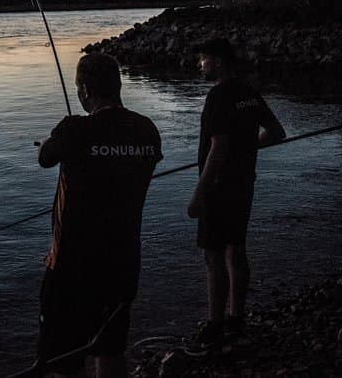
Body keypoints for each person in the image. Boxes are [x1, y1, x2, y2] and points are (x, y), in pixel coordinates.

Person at [36, 52, 163, 377]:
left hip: (71, 268)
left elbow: (45, 157)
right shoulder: (147, 131)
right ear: (118, 85)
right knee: (109, 348)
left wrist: (64, 135)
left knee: (62, 361)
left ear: (85, 91)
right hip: (123, 264)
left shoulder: (73, 128)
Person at [187, 37, 285, 352]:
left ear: (216, 61)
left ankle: (215, 325)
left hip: (217, 188)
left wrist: (198, 193)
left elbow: (218, 148)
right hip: (244, 184)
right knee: (237, 250)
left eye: (202, 59)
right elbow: (276, 132)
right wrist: (248, 147)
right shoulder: (249, 93)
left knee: (213, 256)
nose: (199, 65)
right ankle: (236, 318)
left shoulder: (217, 97)